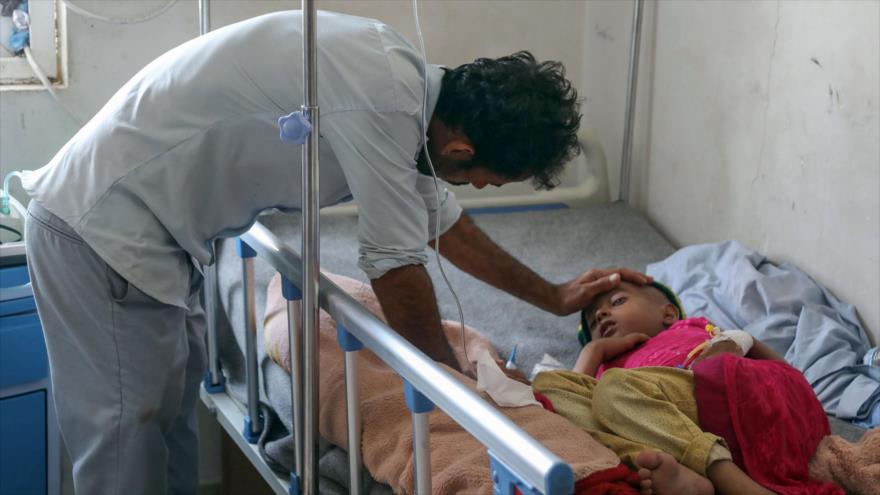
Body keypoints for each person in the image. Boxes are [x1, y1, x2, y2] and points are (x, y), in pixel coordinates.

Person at [22, 10, 649, 495]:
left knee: (166, 431)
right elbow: (395, 267)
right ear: (461, 149)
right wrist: (461, 391)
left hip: (153, 242)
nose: (481, 189)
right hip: (100, 229)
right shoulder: (383, 98)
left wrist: (555, 295)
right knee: (125, 445)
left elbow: (442, 224)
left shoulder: (404, 91)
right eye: (490, 179)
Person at [521, 281, 844, 495]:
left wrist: (737, 343)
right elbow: (569, 411)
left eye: (617, 301)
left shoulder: (688, 328)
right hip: (677, 426)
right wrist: (594, 352)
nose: (602, 313)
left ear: (669, 313)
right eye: (593, 323)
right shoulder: (608, 366)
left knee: (613, 389)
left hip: (727, 391)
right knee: (548, 389)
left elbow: (780, 368)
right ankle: (680, 474)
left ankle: (730, 482)